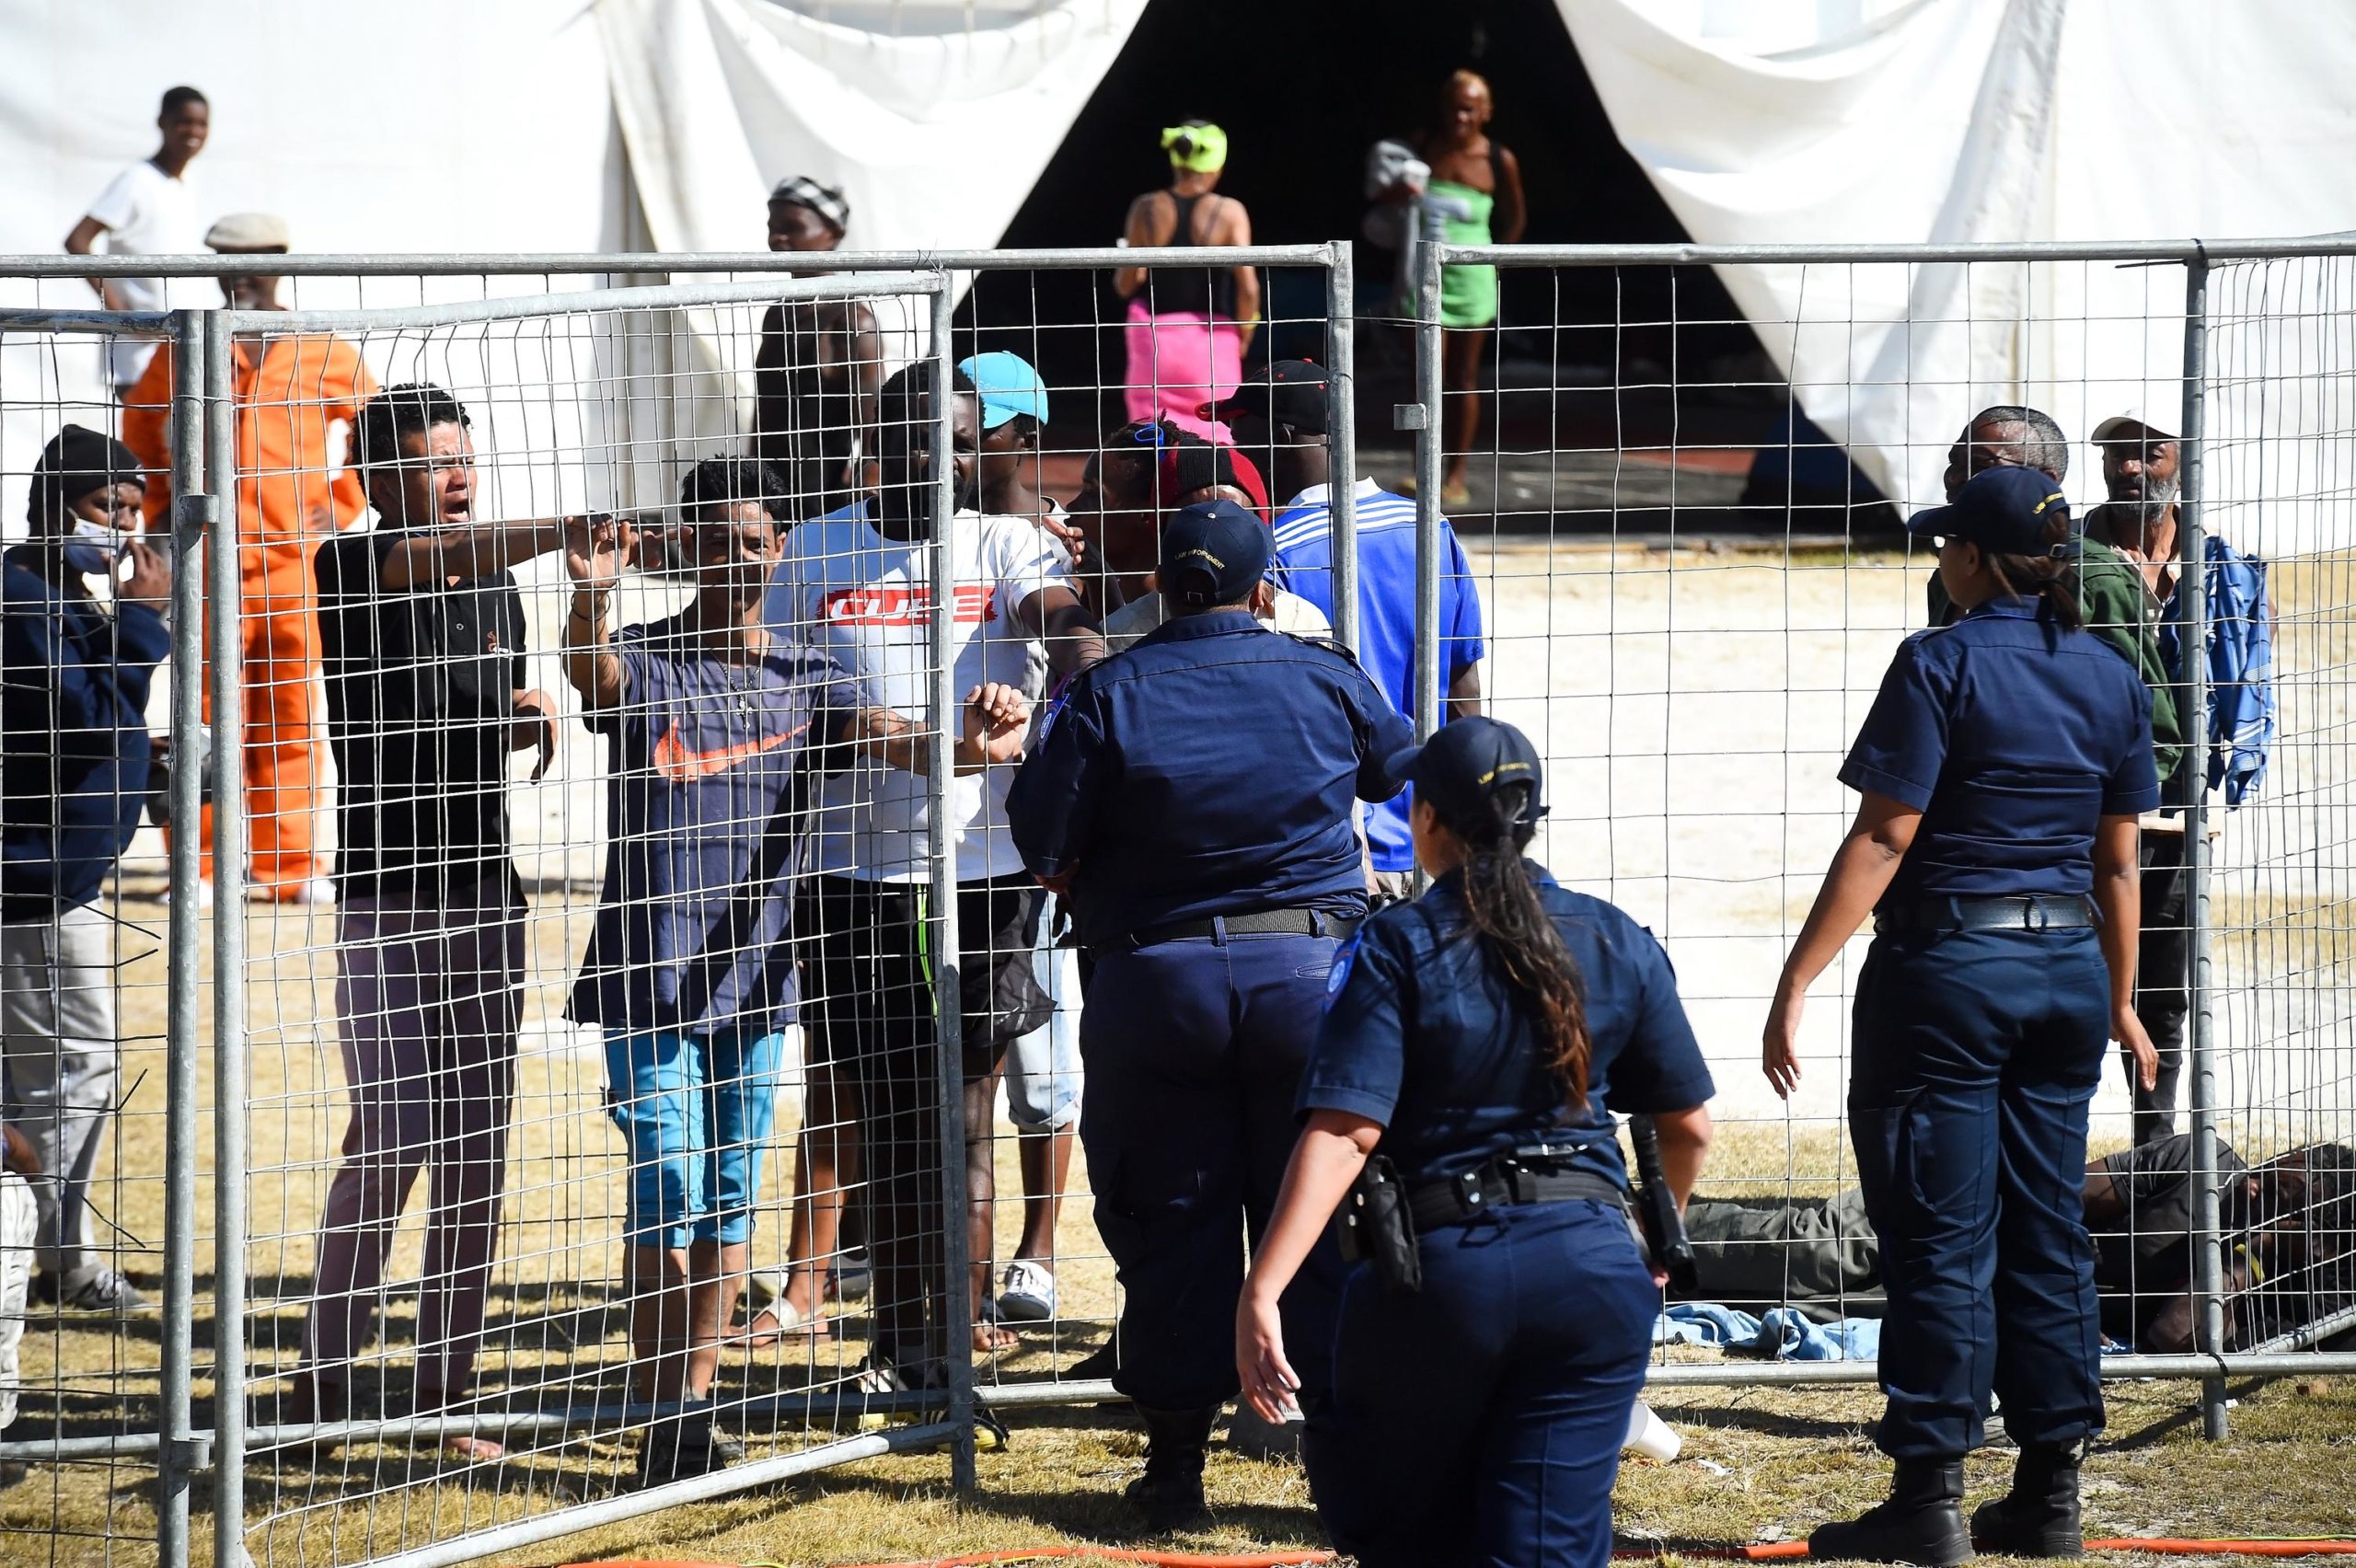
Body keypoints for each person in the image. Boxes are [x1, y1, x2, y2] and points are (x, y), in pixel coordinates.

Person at [560, 456, 1028, 1482]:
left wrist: (967, 747)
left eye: (757, 540)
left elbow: (886, 737)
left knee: (727, 1196)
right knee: (666, 1189)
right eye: (719, 537)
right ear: (682, 547)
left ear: (780, 553)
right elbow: (591, 676)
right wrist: (590, 594)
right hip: (650, 975)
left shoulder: (811, 675)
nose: (740, 556)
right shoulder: (647, 658)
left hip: (760, 982)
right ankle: (658, 1412)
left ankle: (691, 1409)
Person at [1763, 465, 2162, 1564]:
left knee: (1942, 1234)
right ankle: (2049, 1492)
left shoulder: (1937, 662)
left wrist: (1796, 978)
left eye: (1947, 546)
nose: (1938, 561)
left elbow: (1886, 838)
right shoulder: (2109, 673)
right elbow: (2118, 859)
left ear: (1977, 560)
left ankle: (1928, 1495)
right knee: (2047, 1231)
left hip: (1949, 971)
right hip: (2066, 971)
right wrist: (2120, 1000)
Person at [1005, 499, 1415, 1528]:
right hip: (1308, 980)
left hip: (1158, 981)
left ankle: (1174, 1465)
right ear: (1263, 588)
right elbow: (1399, 768)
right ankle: (1337, 1462)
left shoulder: (1106, 691)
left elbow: (1044, 845)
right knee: (1317, 1214)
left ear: (1160, 587)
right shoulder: (1323, 673)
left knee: (1168, 1215)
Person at [1234, 717, 1715, 1566]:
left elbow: (1347, 1128)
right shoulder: (1616, 936)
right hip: (1593, 1279)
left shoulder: (1399, 943)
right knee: (1546, 1542)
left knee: (1400, 1523)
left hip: (1443, 1275)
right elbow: (1688, 1125)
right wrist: (1648, 1234)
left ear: (1425, 822)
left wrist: (1263, 1287)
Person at [768, 360, 1102, 1384]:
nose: (945, 459)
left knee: (965, 1103)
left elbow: (1051, 609)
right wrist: (860, 731)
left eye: (962, 441)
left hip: (982, 872)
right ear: (877, 440)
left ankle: (949, 1341)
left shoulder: (1005, 541)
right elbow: (776, 687)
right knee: (872, 1100)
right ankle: (895, 1336)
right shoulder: (818, 546)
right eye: (923, 439)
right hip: (850, 872)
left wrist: (1078, 650)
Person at [287, 384, 570, 1462]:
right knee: (393, 1134)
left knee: (474, 1153)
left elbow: (456, 705)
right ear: (375, 478)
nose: (456, 476)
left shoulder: (496, 581)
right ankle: (324, 1373)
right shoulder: (350, 565)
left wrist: (526, 713)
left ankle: (445, 1395)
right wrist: (566, 532)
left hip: (486, 896)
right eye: (430, 461)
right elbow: (408, 612)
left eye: (463, 457)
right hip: (387, 896)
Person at [121, 213, 376, 904]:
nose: (242, 278)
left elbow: (377, 428)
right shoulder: (185, 347)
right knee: (201, 717)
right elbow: (141, 433)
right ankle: (201, 865)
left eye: (256, 264)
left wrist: (344, 501)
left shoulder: (318, 346)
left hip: (296, 566)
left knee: (288, 712)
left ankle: (287, 866)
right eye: (228, 265)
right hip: (209, 562)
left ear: (280, 265)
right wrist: (158, 515)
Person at [3, 427, 173, 1314]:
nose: (131, 530)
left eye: (140, 510)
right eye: (112, 508)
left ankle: (46, 1254)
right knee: (79, 1069)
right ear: (56, 505)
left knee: (33, 1077)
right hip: (31, 887)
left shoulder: (62, 592)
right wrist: (148, 617)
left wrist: (146, 764)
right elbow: (78, 717)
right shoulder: (23, 595)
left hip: (52, 876)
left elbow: (86, 722)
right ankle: (56, 1257)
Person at [1677, 1133, 2339, 1354]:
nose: (2255, 1190)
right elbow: (2056, 1190)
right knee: (1813, 1250)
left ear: (2315, 1242)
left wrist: (2240, 1258)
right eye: (2269, 1175)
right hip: (1971, 1221)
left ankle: (1650, 1268)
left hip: (1995, 1302)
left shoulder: (2272, 1307)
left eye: (2279, 1201)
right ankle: (1638, 1224)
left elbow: (2169, 1335)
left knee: (1820, 1306)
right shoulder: (2205, 1163)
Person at [2085, 411, 2275, 1144]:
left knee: (2164, 980)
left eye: (2147, 453)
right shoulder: (2072, 558)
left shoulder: (2219, 569)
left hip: (2176, 804)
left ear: (2184, 460)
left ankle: (2154, 1154)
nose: (2128, 468)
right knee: (2070, 969)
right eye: (2114, 454)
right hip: (2080, 794)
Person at [1230, 360, 1485, 897]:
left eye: (1238, 426)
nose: (1232, 443)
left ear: (1278, 435)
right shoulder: (1430, 528)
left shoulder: (1274, 553)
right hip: (1431, 835)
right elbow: (1464, 687)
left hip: (1335, 854)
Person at [955, 350, 1088, 1327]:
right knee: (925, 1060)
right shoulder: (926, 531)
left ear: (1021, 439)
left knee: (1038, 1065)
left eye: (980, 427)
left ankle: (1037, 1250)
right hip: (929, 834)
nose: (961, 443)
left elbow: (1070, 634)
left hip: (1022, 839)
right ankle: (905, 1249)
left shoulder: (1043, 544)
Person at [1387, 71, 1526, 511]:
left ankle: (1457, 475)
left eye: (1470, 107)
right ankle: (1421, 467)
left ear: (1486, 111)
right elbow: (1388, 199)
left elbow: (1515, 216)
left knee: (1463, 378)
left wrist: (1498, 262)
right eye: (1453, 106)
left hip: (1472, 279)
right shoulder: (1423, 143)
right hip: (1424, 278)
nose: (1460, 116)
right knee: (1423, 377)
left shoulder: (1500, 159)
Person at [752, 177, 909, 519]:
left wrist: (870, 472)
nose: (779, 238)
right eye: (773, 227)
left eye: (793, 227)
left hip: (825, 493)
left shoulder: (850, 321)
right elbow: (766, 406)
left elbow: (872, 417)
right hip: (773, 488)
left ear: (833, 233)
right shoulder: (778, 314)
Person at [1114, 121, 1259, 440]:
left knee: (1149, 432)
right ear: (1217, 165)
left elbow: (1126, 284)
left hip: (1155, 339)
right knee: (1215, 428)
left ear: (1175, 160)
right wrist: (1246, 332)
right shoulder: (1230, 211)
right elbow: (1248, 287)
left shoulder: (1146, 208)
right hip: (1211, 339)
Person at [63, 86, 209, 396]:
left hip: (177, 343)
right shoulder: (138, 180)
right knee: (145, 442)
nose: (193, 131)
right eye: (184, 121)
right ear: (162, 122)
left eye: (201, 123)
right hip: (139, 351)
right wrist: (121, 312)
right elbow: (78, 241)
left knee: (181, 441)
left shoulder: (185, 182)